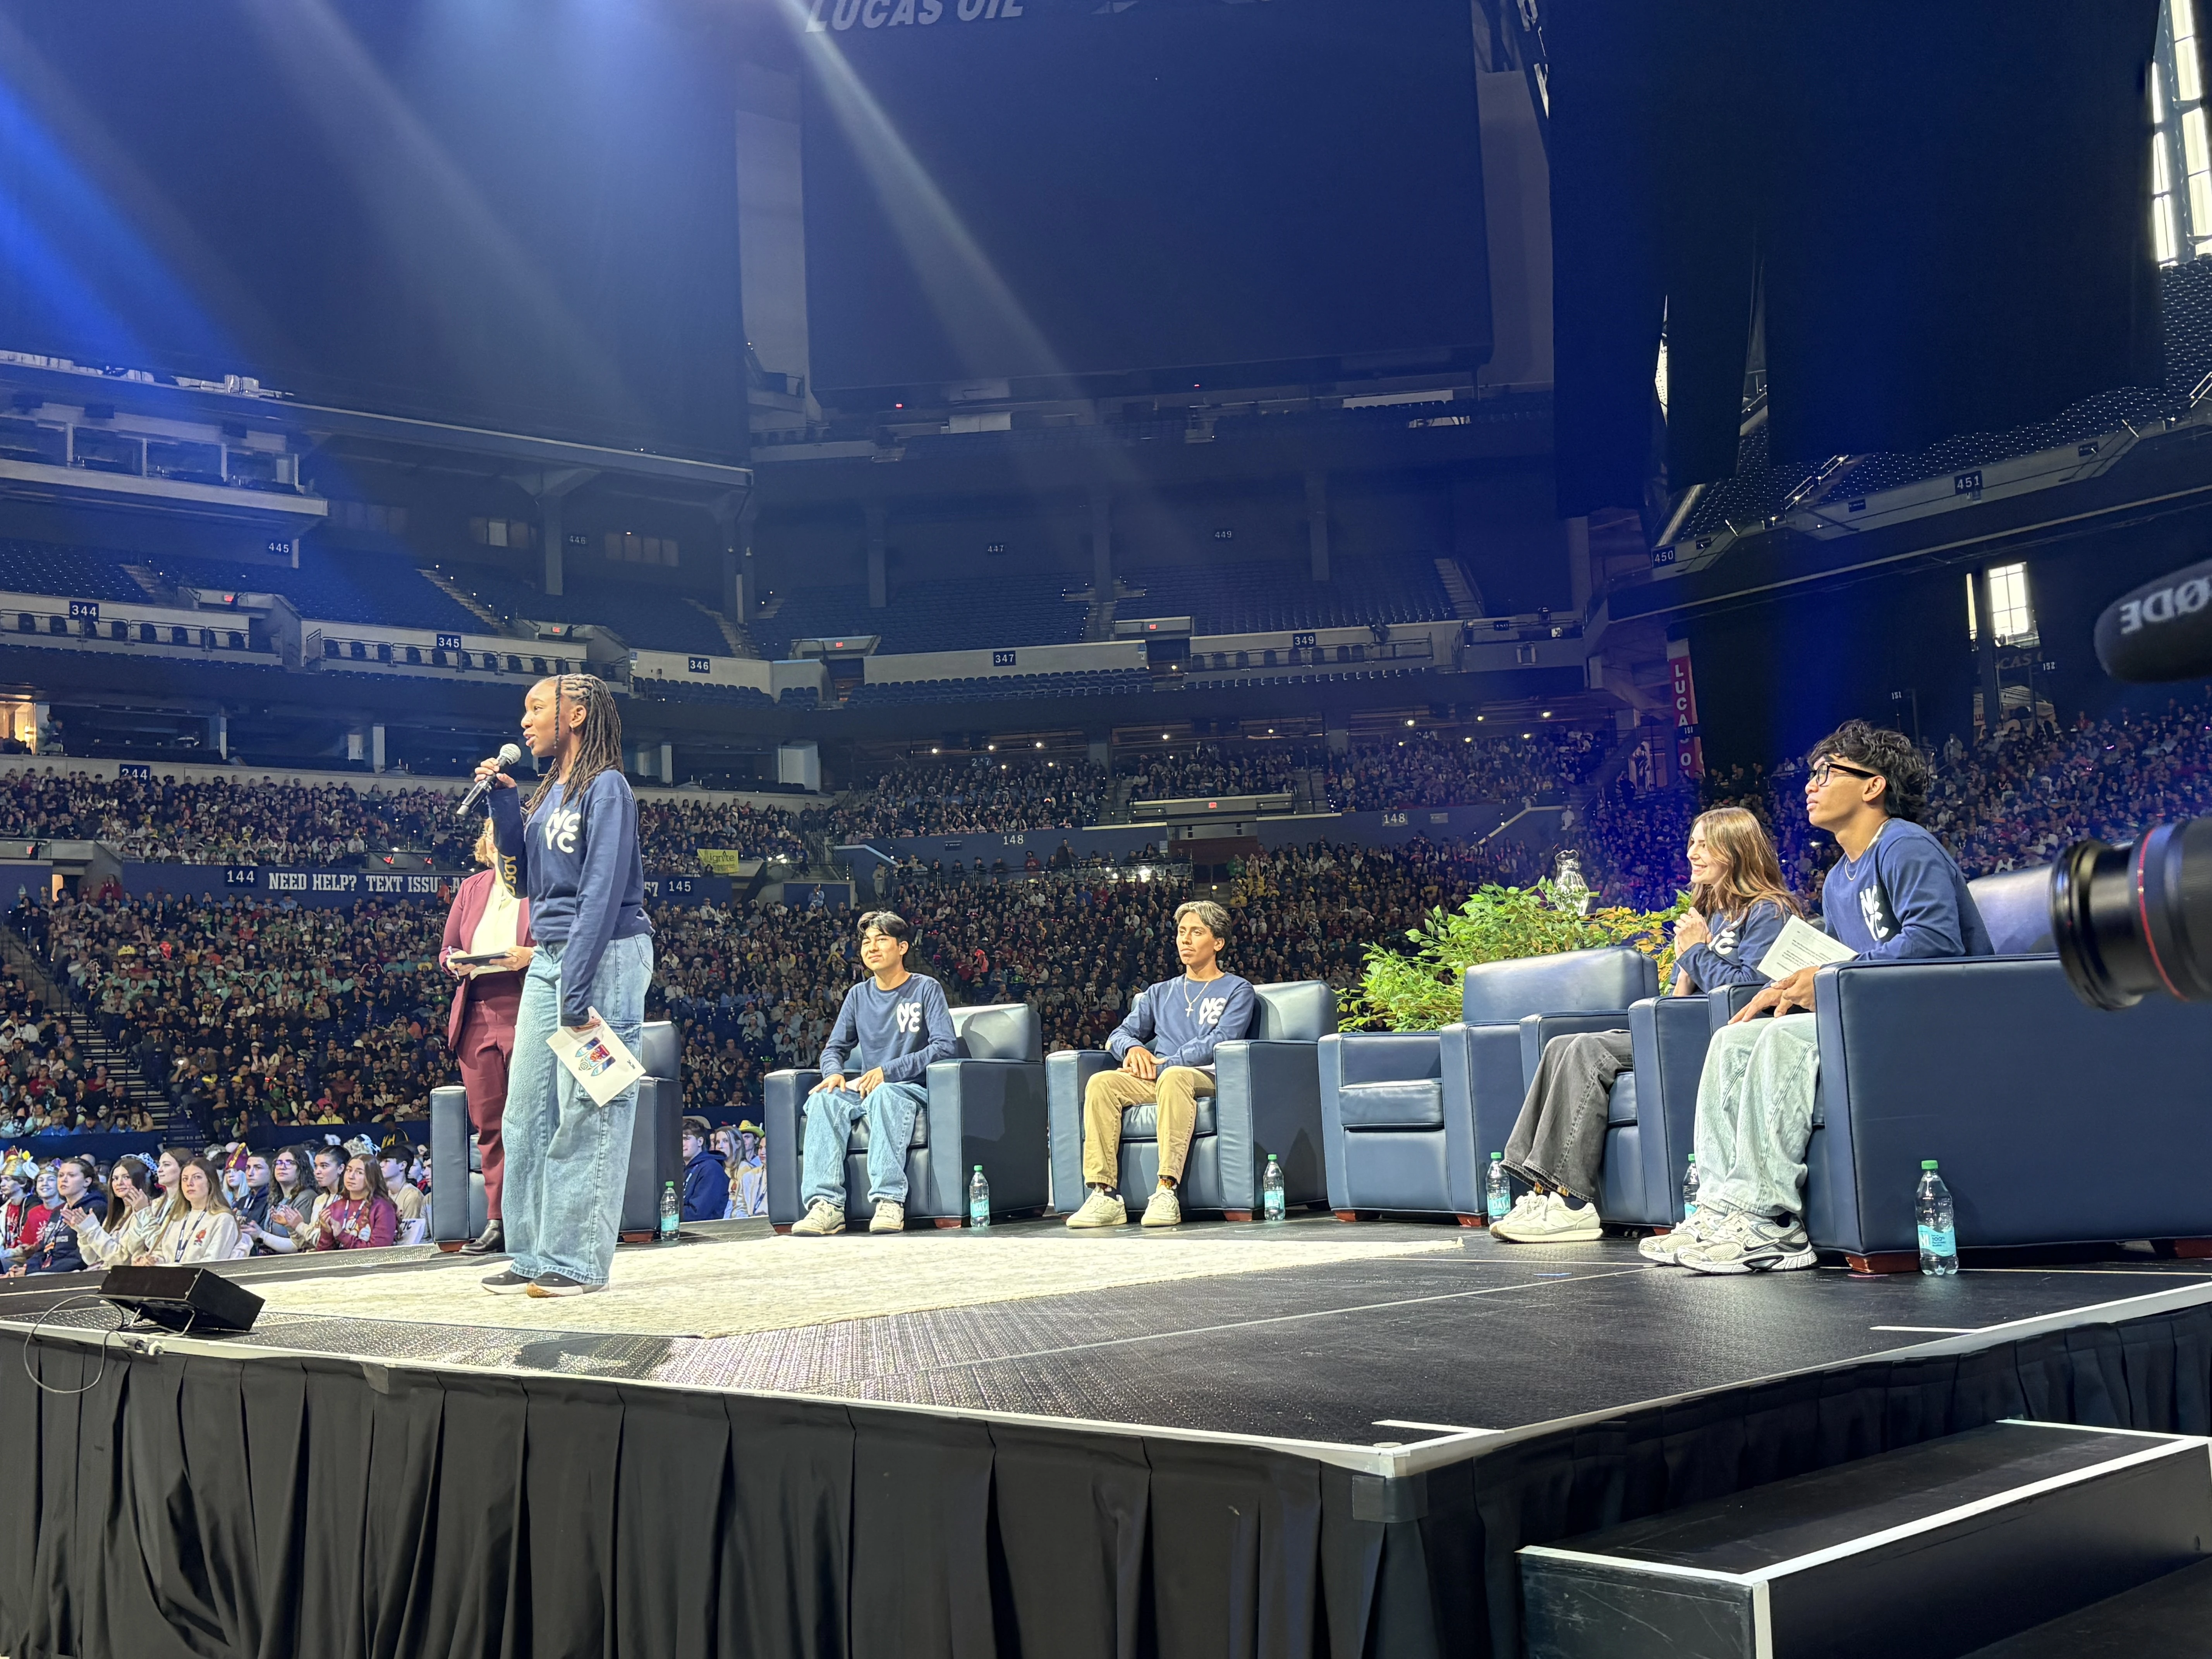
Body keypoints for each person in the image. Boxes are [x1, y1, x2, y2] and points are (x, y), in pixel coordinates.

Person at [1647, 721, 1994, 1274]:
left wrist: (1832, 974)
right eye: (1812, 773)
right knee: (1736, 1039)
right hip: (1867, 1018)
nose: (1811, 783)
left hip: (1935, 1018)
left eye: (1827, 772)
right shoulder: (1837, 880)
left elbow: (1935, 944)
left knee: (1784, 1038)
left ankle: (1771, 1224)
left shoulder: (1904, 844)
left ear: (1872, 786)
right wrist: (1786, 987)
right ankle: (1719, 1209)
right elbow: (1830, 967)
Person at [1492, 808, 1796, 1243]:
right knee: (1563, 1044)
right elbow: (1680, 999)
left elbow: (1750, 990)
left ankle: (1572, 1203)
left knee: (1586, 1050)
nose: (1693, 852)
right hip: (1684, 1028)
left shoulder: (1767, 911)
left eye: (1705, 843)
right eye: (1692, 842)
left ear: (1737, 848)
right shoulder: (1708, 914)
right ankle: (1540, 1189)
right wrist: (1688, 960)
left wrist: (1695, 953)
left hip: (1728, 1035)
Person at [479, 674, 655, 1298]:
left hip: (604, 956)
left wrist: (578, 987)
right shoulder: (550, 793)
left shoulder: (608, 789)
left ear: (575, 713)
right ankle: (531, 1253)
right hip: (552, 958)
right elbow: (525, 882)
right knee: (526, 1111)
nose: (524, 722)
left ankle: (577, 1260)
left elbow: (602, 893)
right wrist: (504, 803)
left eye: (536, 708)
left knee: (590, 1110)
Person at [1066, 900, 1256, 1230]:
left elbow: (1223, 1039)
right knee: (1102, 1083)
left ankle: (1166, 1190)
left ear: (1218, 943)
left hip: (1206, 1076)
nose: (1186, 940)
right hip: (1158, 1076)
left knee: (1174, 1077)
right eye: (1182, 932)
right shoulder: (1158, 993)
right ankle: (1104, 1194)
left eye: (1197, 933)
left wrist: (1165, 1063)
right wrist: (1134, 1050)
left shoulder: (1238, 989)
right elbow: (1119, 1033)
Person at [790, 911, 957, 1237]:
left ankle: (889, 1200)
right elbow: (834, 1048)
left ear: (903, 947)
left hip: (911, 1088)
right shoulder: (858, 995)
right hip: (867, 1087)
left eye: (882, 940)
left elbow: (944, 1047)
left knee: (885, 1093)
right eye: (867, 942)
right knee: (825, 1099)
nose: (872, 948)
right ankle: (825, 1206)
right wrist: (834, 1073)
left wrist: (888, 1072)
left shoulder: (926, 989)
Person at [441, 819, 534, 1255]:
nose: (500, 840)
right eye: (494, 832)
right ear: (487, 842)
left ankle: (533, 1219)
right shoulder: (472, 887)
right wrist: (454, 962)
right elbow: (447, 950)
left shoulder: (541, 884)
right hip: (477, 1009)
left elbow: (565, 941)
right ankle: (497, 1220)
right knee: (489, 1126)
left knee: (531, 1123)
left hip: (527, 1006)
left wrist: (529, 956)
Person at [140, 1155, 240, 1266]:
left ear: (211, 1182)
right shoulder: (175, 1217)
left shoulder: (223, 1219)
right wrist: (153, 1261)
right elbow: (163, 1253)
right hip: (170, 1279)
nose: (189, 1183)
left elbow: (213, 1263)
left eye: (197, 1177)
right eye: (185, 1179)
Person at [71, 1153, 161, 1268]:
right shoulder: (117, 1212)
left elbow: (122, 1260)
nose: (119, 1183)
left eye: (127, 1177)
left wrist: (92, 1229)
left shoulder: (149, 1210)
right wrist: (84, 1232)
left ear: (140, 1178)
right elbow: (91, 1259)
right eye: (115, 1179)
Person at [15, 1156, 94, 1274]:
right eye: (61, 1176)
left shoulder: (95, 1208)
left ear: (87, 1181)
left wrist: (34, 1273)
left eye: (71, 1176)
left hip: (70, 1274)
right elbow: (43, 1250)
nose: (64, 1180)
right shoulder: (59, 1211)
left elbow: (81, 1258)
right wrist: (28, 1269)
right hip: (44, 1270)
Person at [311, 1153, 399, 1251]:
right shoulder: (334, 1208)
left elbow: (378, 1251)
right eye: (349, 1170)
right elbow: (323, 1253)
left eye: (359, 1173)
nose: (351, 1176)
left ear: (371, 1177)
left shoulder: (382, 1208)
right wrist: (327, 1233)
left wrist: (342, 1235)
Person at [680, 1116, 728, 1223]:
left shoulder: (711, 1169)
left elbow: (698, 1214)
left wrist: (667, 1214)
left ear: (700, 1142)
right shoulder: (683, 1169)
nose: (682, 1144)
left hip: (704, 1235)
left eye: (687, 1139)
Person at [380, 1150, 426, 1243]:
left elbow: (409, 1237)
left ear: (403, 1165)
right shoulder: (382, 1194)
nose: (381, 1165)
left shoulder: (412, 1196)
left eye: (387, 1161)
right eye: (381, 1161)